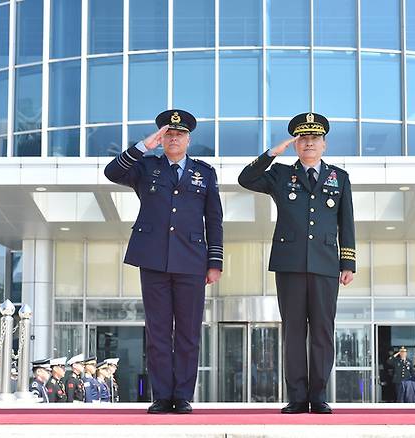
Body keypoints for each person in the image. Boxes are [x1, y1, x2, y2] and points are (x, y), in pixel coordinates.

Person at [104, 109, 223, 414]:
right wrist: (144, 145)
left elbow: (214, 219)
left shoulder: (205, 173)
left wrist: (214, 262)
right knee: (157, 331)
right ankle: (161, 396)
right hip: (153, 259)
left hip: (192, 261)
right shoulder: (145, 167)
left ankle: (182, 395)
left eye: (179, 134)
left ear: (188, 139)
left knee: (187, 332)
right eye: (168, 134)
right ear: (161, 137)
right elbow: (111, 172)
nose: (173, 138)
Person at [238, 112, 356, 414]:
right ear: (295, 145)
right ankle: (297, 397)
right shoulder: (279, 174)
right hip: (289, 264)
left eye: (315, 139)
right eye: (303, 139)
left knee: (322, 331)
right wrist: (272, 152)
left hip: (326, 264)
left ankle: (318, 396)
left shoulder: (339, 178)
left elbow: (347, 223)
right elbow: (246, 178)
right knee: (293, 331)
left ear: (324, 145)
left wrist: (348, 262)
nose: (309, 144)